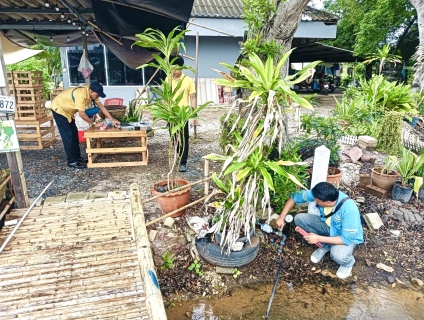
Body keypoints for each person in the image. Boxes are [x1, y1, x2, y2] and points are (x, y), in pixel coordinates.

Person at [275, 182, 363, 279]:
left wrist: (318, 238)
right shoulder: (320, 194)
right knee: (299, 219)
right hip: (329, 227)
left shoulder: (349, 210)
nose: (315, 202)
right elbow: (294, 197)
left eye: (317, 201)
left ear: (328, 202)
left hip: (345, 236)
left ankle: (348, 263)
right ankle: (326, 246)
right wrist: (281, 217)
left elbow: (346, 238)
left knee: (338, 256)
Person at [51, 82, 120, 169]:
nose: (98, 96)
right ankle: (72, 161)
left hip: (68, 112)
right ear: (91, 91)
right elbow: (82, 114)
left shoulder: (92, 94)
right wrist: (94, 124)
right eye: (97, 94)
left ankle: (78, 158)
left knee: (74, 134)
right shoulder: (81, 95)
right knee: (68, 136)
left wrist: (112, 119)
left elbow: (102, 107)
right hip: (59, 110)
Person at [168, 56, 196, 172]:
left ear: (182, 68)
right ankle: (178, 155)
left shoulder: (188, 80)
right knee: (173, 137)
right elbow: (166, 96)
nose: (174, 72)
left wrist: (194, 115)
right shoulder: (168, 79)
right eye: (172, 69)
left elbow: (193, 98)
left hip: (183, 115)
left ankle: (183, 162)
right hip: (171, 114)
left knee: (184, 138)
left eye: (176, 69)